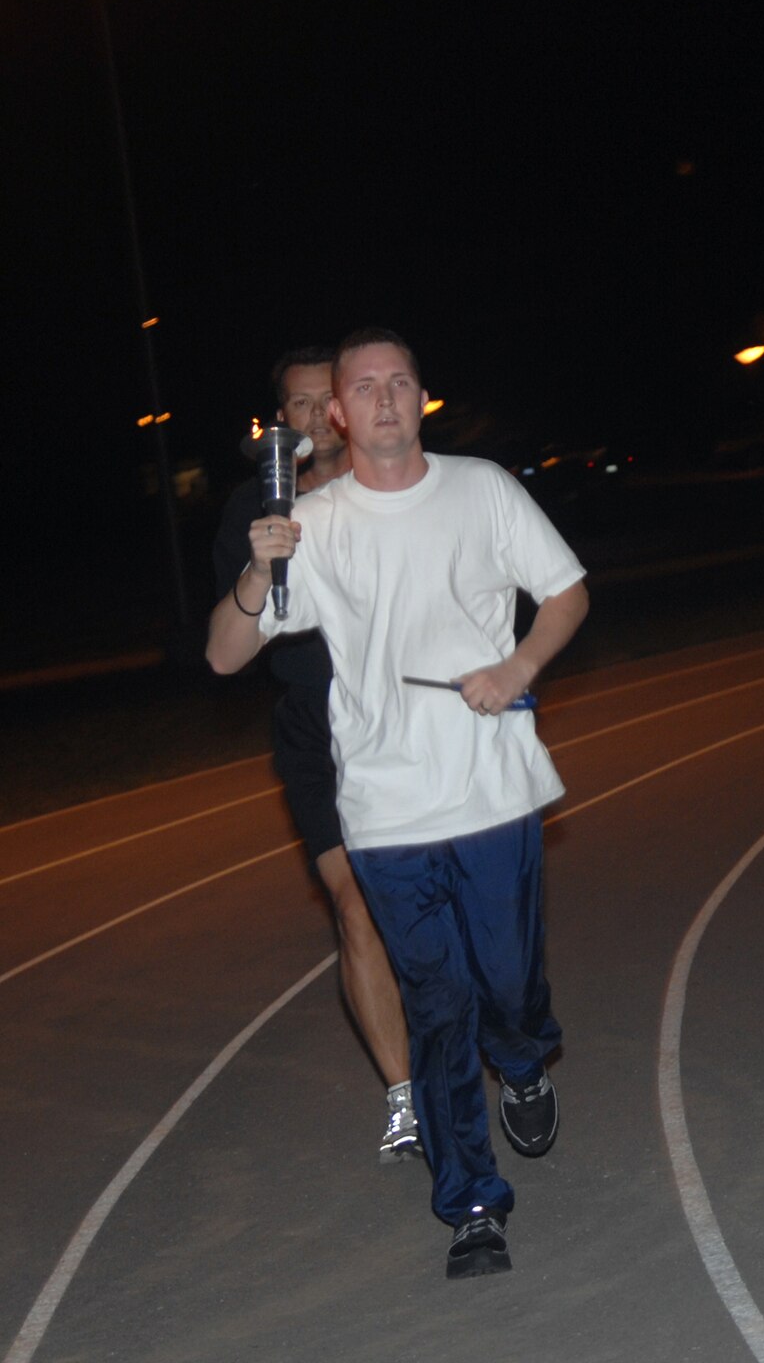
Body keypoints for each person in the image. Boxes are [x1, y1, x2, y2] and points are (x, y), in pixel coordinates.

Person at [208, 328, 589, 1275]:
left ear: (423, 397)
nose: (382, 399)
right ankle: (470, 1205)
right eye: (362, 388)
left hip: (492, 786)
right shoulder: (315, 522)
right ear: (335, 412)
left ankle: (526, 1054)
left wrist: (519, 665)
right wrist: (259, 571)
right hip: (383, 808)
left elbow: (568, 592)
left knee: (505, 983)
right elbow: (223, 654)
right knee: (436, 1005)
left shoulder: (484, 487)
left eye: (399, 382)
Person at [210, 346, 418, 1163]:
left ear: (341, 409)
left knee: (431, 909)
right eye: (290, 407)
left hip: (405, 719)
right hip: (315, 727)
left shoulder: (394, 488)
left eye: (317, 402)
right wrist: (266, 562)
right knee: (357, 906)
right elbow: (230, 643)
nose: (307, 419)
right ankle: (404, 1093)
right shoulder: (252, 510)